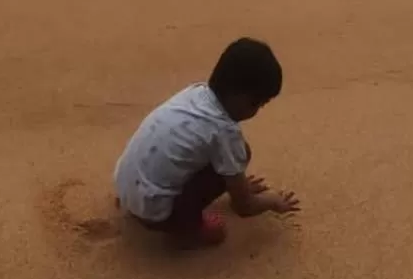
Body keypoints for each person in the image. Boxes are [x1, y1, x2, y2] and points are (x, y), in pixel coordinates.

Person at [114, 38, 300, 247]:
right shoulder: (224, 131)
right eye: (257, 103)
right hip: (154, 212)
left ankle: (141, 201)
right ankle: (186, 229)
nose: (257, 110)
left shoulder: (195, 93)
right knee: (236, 160)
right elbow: (244, 207)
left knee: (226, 157)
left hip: (124, 187)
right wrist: (273, 202)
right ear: (240, 97)